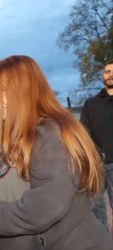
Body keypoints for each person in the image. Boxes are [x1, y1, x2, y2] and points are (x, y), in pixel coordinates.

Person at [0, 55, 113, 249]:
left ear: (23, 91)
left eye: (0, 90)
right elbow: (0, 175)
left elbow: (42, 208)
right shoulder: (15, 133)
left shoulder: (51, 136)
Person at [80, 59, 113, 231]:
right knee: (96, 210)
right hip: (97, 165)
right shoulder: (91, 104)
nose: (110, 75)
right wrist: (94, 155)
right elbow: (84, 133)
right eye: (107, 71)